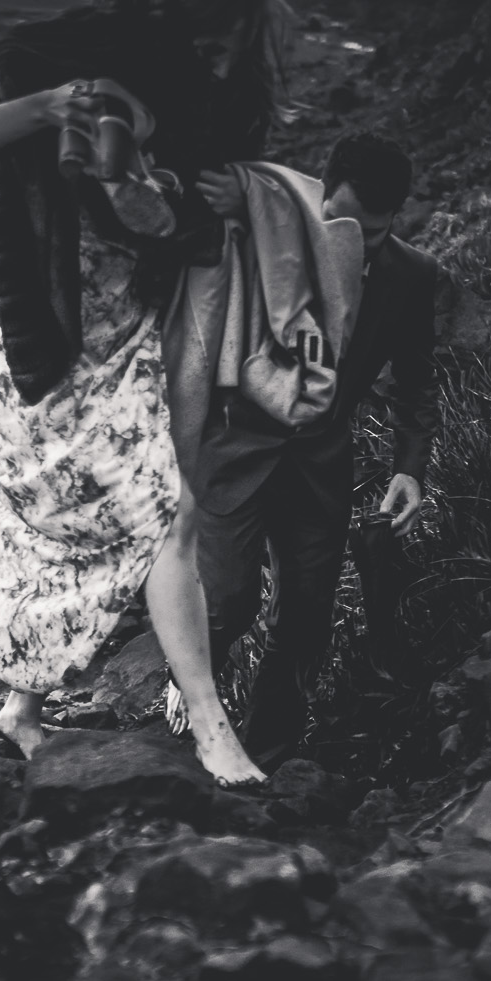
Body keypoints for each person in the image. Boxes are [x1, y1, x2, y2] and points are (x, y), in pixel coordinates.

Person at [0, 0, 293, 786]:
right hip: (46, 347)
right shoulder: (57, 78)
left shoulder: (189, 101)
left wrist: (210, 191)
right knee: (54, 531)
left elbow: (187, 216)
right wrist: (49, 107)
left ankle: (194, 725)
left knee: (169, 513)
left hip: (137, 337)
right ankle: (147, 723)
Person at [179, 130, 441, 768]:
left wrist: (409, 470)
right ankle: (189, 698)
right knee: (228, 602)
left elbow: (415, 384)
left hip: (319, 467)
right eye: (337, 223)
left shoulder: (413, 278)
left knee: (303, 620)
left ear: (396, 218)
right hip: (229, 454)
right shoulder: (252, 250)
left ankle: (266, 757)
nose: (349, 243)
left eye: (371, 233)